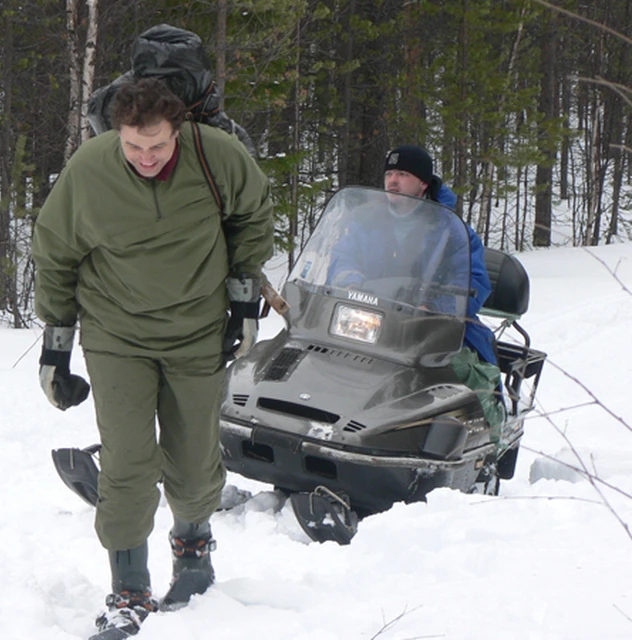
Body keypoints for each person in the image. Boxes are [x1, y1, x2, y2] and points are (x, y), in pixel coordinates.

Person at [31, 77, 273, 636]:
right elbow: (56, 252)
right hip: (118, 334)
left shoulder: (219, 157)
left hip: (197, 330)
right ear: (116, 134)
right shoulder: (90, 170)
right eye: (133, 146)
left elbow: (252, 218)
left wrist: (244, 302)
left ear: (178, 130)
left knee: (192, 462)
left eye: (157, 146)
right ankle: (128, 589)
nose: (145, 157)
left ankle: (193, 554)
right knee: (128, 463)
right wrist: (55, 347)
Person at [331, 144, 504, 427]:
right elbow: (342, 257)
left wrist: (437, 307)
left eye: (402, 174)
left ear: (423, 183)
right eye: (389, 174)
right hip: (370, 320)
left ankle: (487, 444)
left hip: (433, 327)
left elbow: (474, 280)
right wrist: (348, 280)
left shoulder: (451, 230)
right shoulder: (367, 221)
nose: (393, 181)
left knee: (468, 373)